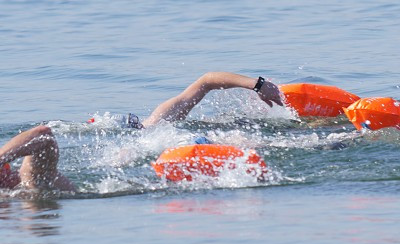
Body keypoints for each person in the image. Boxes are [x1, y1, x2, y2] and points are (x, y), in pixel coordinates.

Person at [0, 72, 284, 193]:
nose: (10, 169)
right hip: (184, 158)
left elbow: (43, 134)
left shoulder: (156, 125)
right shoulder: (32, 185)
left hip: (175, 159)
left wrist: (256, 84)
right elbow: (43, 134)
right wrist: (257, 85)